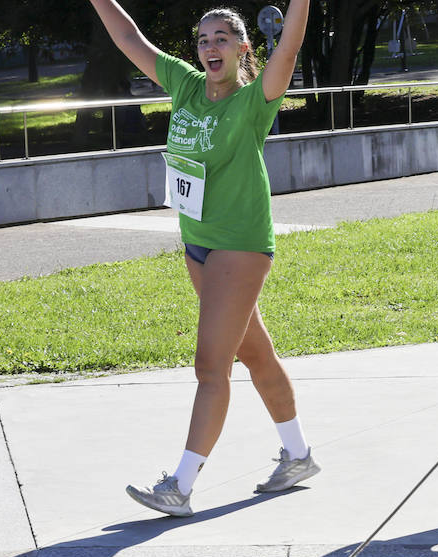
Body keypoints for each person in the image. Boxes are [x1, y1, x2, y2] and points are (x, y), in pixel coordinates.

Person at [87, 2, 318, 517]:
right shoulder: (188, 86)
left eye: (221, 39)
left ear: (242, 48)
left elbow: (291, 46)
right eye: (203, 40)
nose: (210, 48)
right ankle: (299, 455)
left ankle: (180, 486)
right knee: (255, 353)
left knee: (211, 365)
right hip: (198, 242)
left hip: (239, 242)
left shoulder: (256, 99)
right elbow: (130, 39)